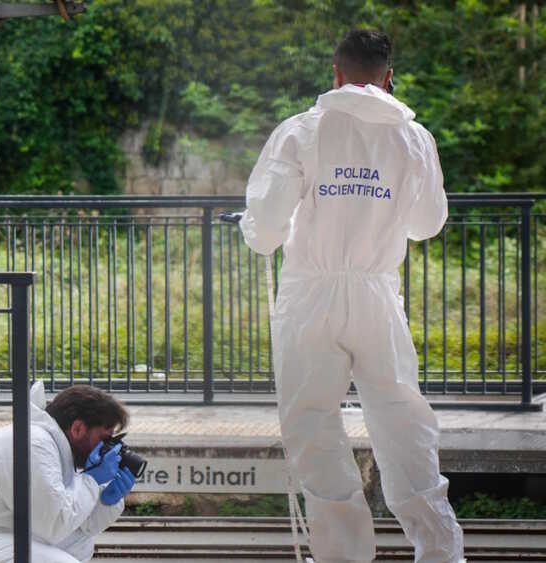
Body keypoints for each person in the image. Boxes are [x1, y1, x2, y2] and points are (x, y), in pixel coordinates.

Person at [238, 30, 464, 563]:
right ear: (389, 78)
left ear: (335, 73)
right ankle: (440, 552)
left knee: (313, 424)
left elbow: (265, 232)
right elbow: (427, 224)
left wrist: (254, 227)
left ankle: (344, 555)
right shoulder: (414, 138)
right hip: (377, 294)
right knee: (401, 420)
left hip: (308, 296)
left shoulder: (300, 131)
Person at [0, 382, 137, 563]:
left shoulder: (55, 448)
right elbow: (54, 524)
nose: (107, 447)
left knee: (79, 544)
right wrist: (91, 480)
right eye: (104, 438)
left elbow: (79, 526)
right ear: (78, 428)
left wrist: (106, 501)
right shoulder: (35, 444)